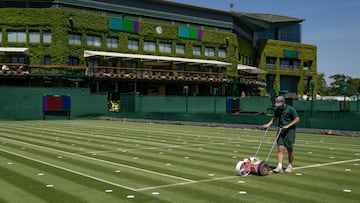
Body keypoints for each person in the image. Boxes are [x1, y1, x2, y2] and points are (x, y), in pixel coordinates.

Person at [262, 96, 300, 173]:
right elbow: (274, 118)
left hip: (290, 131)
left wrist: (288, 126)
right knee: (280, 148)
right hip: (280, 130)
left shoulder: (290, 109)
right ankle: (279, 166)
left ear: (283, 102)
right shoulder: (277, 109)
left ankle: (290, 165)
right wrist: (268, 124)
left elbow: (297, 119)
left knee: (289, 149)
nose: (278, 105)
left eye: (280, 103)